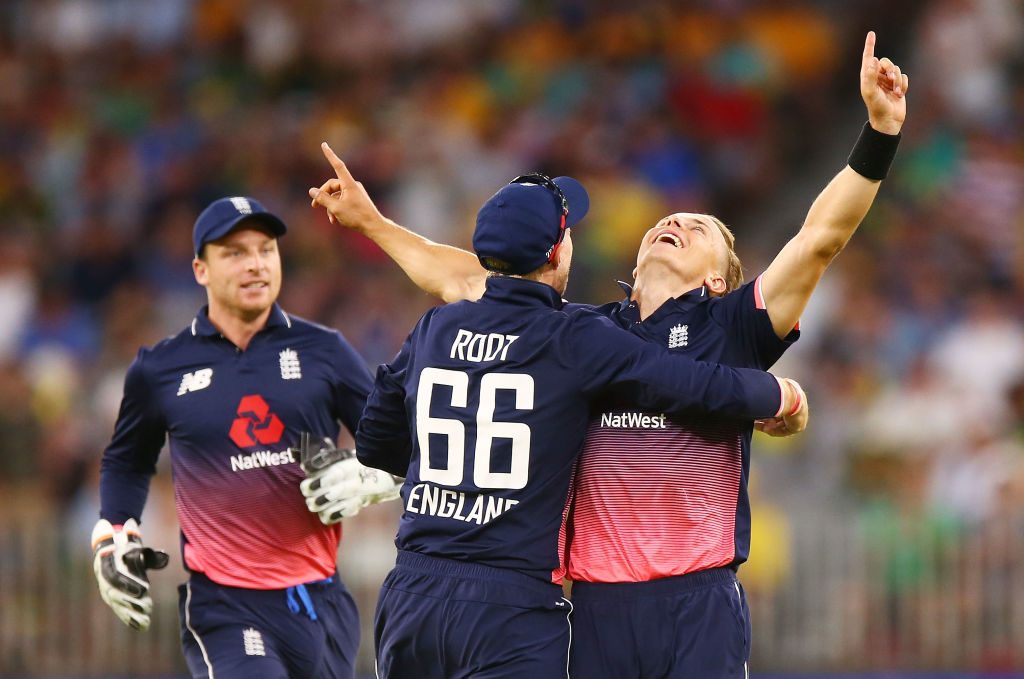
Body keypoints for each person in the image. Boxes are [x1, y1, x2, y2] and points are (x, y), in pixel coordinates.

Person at [311, 31, 905, 677]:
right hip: (593, 604)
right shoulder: (579, 332)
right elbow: (473, 277)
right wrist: (373, 224)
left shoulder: (734, 325)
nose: (674, 223)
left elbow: (821, 238)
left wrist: (878, 132)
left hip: (698, 598)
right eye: (664, 221)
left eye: (698, 226)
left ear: (718, 276)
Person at [350, 172, 808, 678]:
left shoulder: (434, 326)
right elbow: (690, 383)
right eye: (568, 234)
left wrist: (449, 474)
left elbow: (374, 442)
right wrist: (780, 395)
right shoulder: (576, 339)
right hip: (513, 604)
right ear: (555, 254)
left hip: (411, 592)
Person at [90, 196, 399, 679]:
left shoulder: (325, 351)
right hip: (224, 604)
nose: (255, 264)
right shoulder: (160, 367)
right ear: (200, 270)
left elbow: (401, 445)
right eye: (235, 252)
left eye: (266, 250)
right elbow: (126, 461)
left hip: (323, 601)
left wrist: (376, 472)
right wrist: (114, 532)